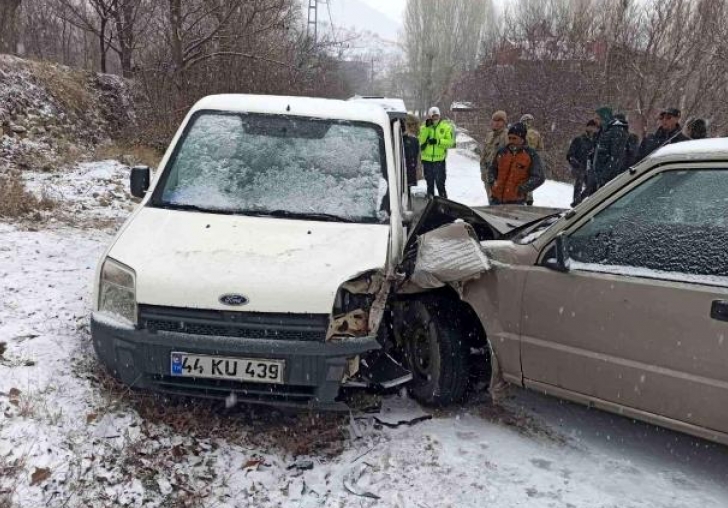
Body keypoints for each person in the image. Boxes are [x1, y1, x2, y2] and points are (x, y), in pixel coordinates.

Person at [488, 122, 545, 205]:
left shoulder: (531, 155)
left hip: (516, 202)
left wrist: (522, 189)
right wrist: (493, 182)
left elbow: (539, 177)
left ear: (522, 139)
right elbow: (492, 169)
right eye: (509, 138)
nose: (511, 141)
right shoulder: (502, 152)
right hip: (495, 200)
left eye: (514, 138)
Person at [419, 106, 454, 198]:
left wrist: (438, 141)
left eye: (436, 116)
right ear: (429, 116)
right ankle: (430, 204)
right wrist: (427, 128)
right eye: (433, 116)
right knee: (429, 184)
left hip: (439, 160)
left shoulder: (446, 127)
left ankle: (444, 204)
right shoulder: (424, 127)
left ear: (439, 116)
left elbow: (450, 143)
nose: (435, 118)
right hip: (427, 161)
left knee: (440, 184)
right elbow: (421, 141)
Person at [591, 106, 629, 190]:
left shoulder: (616, 131)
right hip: (600, 179)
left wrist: (603, 177)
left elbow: (615, 158)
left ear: (604, 118)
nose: (595, 121)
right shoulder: (604, 130)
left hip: (609, 181)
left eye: (597, 118)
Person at [566, 119, 597, 206]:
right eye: (590, 127)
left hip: (590, 167)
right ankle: (576, 202)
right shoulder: (579, 139)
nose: (592, 129)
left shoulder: (595, 141)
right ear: (586, 127)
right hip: (579, 166)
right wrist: (576, 163)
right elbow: (570, 154)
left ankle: (579, 202)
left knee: (591, 186)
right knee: (578, 185)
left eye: (593, 127)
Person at [480, 110, 509, 201]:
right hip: (488, 172)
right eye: (494, 120)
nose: (496, 123)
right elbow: (484, 154)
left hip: (499, 173)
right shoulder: (489, 135)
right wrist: (483, 170)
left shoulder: (507, 136)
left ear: (504, 122)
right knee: (490, 198)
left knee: (499, 201)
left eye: (499, 121)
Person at [520, 113, 543, 205]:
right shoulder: (536, 134)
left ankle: (521, 197)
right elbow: (540, 148)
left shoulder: (519, 132)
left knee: (521, 177)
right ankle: (529, 197)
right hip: (532, 158)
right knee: (530, 177)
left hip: (521, 157)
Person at [403, 114, 421, 188]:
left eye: (415, 125)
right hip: (407, 169)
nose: (414, 127)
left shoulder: (414, 139)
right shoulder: (405, 138)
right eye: (412, 125)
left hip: (411, 169)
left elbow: (416, 154)